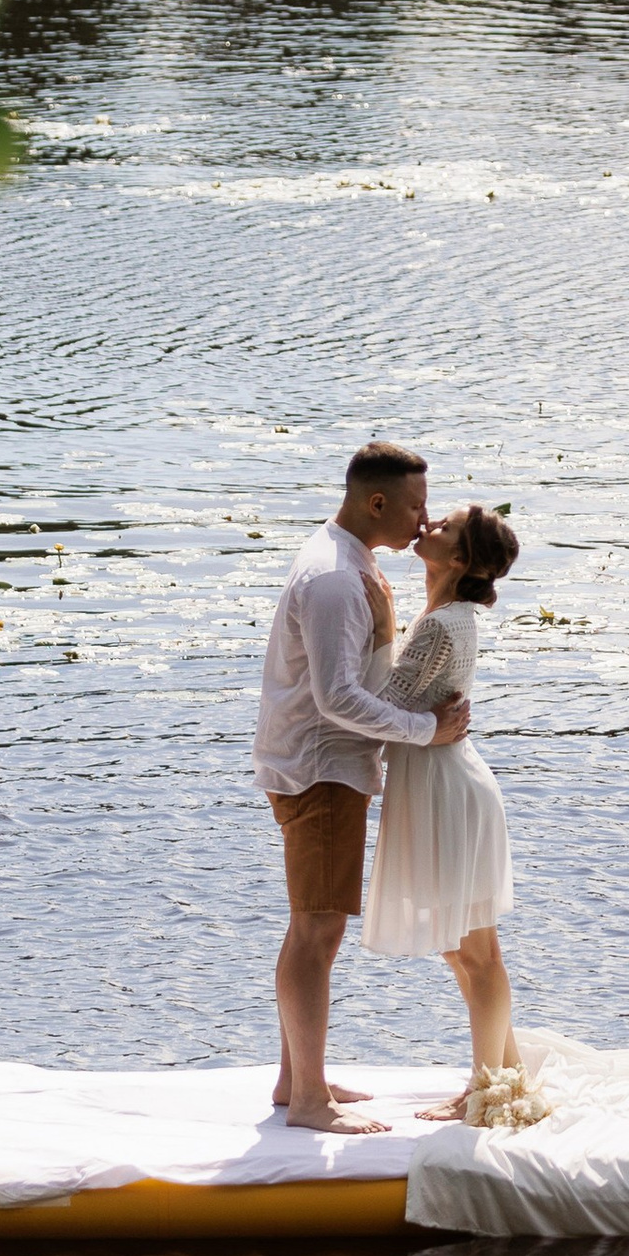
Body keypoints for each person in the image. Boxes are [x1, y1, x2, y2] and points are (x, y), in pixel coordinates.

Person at [254, 444, 471, 1133]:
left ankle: (298, 1081)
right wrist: (425, 731)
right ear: (377, 503)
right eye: (415, 506)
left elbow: (353, 680)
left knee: (312, 927)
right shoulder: (335, 580)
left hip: (321, 764)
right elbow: (338, 698)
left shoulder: (350, 563)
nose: (424, 519)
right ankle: (308, 1102)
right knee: (317, 931)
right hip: (320, 769)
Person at [362, 504, 523, 1118]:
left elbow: (381, 710)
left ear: (459, 559)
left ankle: (484, 1091)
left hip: (448, 792)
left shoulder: (441, 626)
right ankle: (509, 1078)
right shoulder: (443, 617)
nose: (428, 525)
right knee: (463, 950)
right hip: (440, 786)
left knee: (475, 953)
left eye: (445, 527)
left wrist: (379, 627)